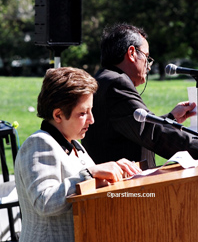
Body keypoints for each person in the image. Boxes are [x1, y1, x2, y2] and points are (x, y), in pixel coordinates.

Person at [14, 67, 141, 242]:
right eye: (83, 113)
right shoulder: (39, 143)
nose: (92, 119)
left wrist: (116, 173)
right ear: (58, 115)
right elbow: (44, 202)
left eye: (91, 110)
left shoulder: (74, 144)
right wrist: (91, 174)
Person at [82, 23, 198, 168]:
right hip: (123, 188)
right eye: (147, 57)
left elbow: (134, 127)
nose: (149, 66)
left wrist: (170, 118)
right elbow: (153, 134)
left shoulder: (105, 78)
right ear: (131, 53)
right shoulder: (116, 83)